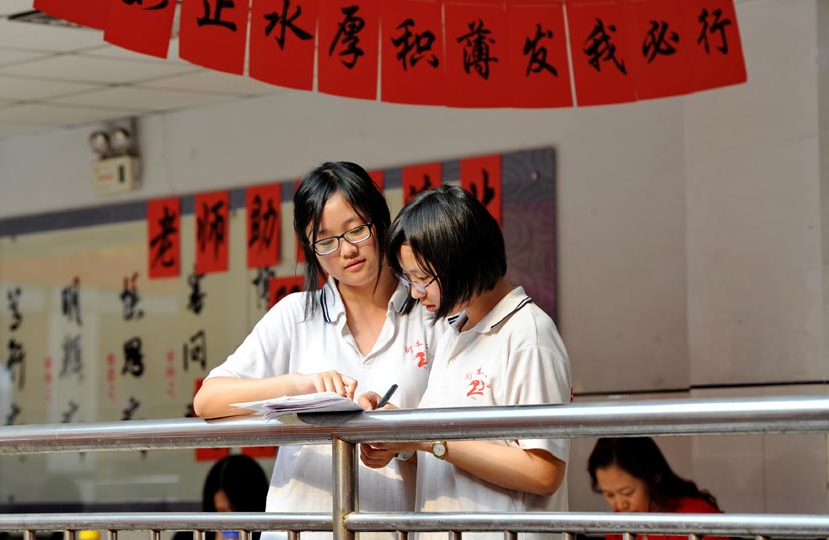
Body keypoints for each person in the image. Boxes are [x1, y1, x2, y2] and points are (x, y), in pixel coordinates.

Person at [194, 161, 446, 540]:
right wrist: (298, 386)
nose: (346, 251)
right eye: (326, 241)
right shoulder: (296, 315)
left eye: (356, 230)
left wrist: (401, 433)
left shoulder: (428, 312)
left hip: (395, 525)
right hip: (301, 528)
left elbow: (453, 432)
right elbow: (208, 401)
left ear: (380, 221)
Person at [359, 184, 573, 540]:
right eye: (408, 279)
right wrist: (400, 435)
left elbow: (543, 473)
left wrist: (426, 439)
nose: (415, 292)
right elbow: (449, 443)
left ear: (463, 261)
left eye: (424, 278)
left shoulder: (529, 335)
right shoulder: (454, 330)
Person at [587, 437, 726, 540]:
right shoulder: (617, 523)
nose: (620, 504)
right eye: (609, 495)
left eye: (627, 493)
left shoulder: (697, 516)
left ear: (654, 476)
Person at [173, 454, 269, 540]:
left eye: (236, 511)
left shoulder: (272, 535)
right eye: (222, 511)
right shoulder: (191, 535)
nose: (230, 521)